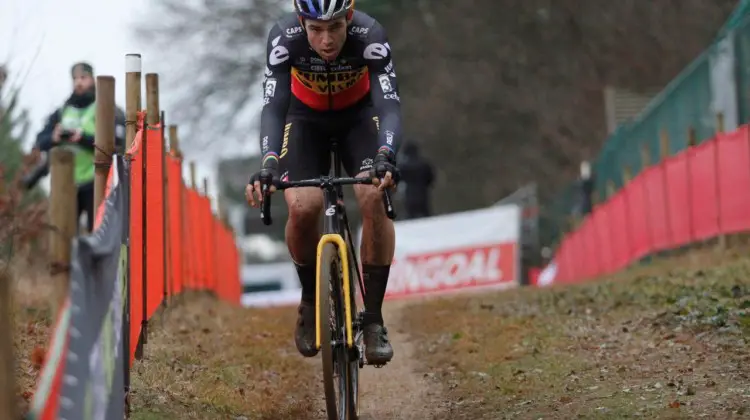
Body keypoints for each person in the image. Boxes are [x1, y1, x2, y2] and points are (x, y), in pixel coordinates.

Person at [245, 0, 402, 365]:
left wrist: (385, 155)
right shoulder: (284, 38)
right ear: (302, 23)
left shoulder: (370, 36)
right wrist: (268, 163)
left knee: (372, 195)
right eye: (315, 29)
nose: (326, 40)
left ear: (349, 17)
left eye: (334, 27)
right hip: (304, 122)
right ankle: (310, 299)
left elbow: (389, 105)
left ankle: (374, 319)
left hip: (358, 120)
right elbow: (273, 106)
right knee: (303, 206)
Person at [33, 62, 126, 233]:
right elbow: (40, 141)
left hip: (97, 181)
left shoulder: (106, 109)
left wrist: (83, 139)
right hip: (66, 184)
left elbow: (119, 144)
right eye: (75, 78)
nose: (79, 83)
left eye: (83, 78)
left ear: (92, 79)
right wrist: (54, 138)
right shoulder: (62, 111)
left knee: (97, 235)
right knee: (63, 239)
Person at [398, 142, 434, 219]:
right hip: (423, 194)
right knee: (427, 217)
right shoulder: (424, 165)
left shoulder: (403, 167)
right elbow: (430, 178)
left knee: (411, 219)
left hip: (409, 196)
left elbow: (398, 180)